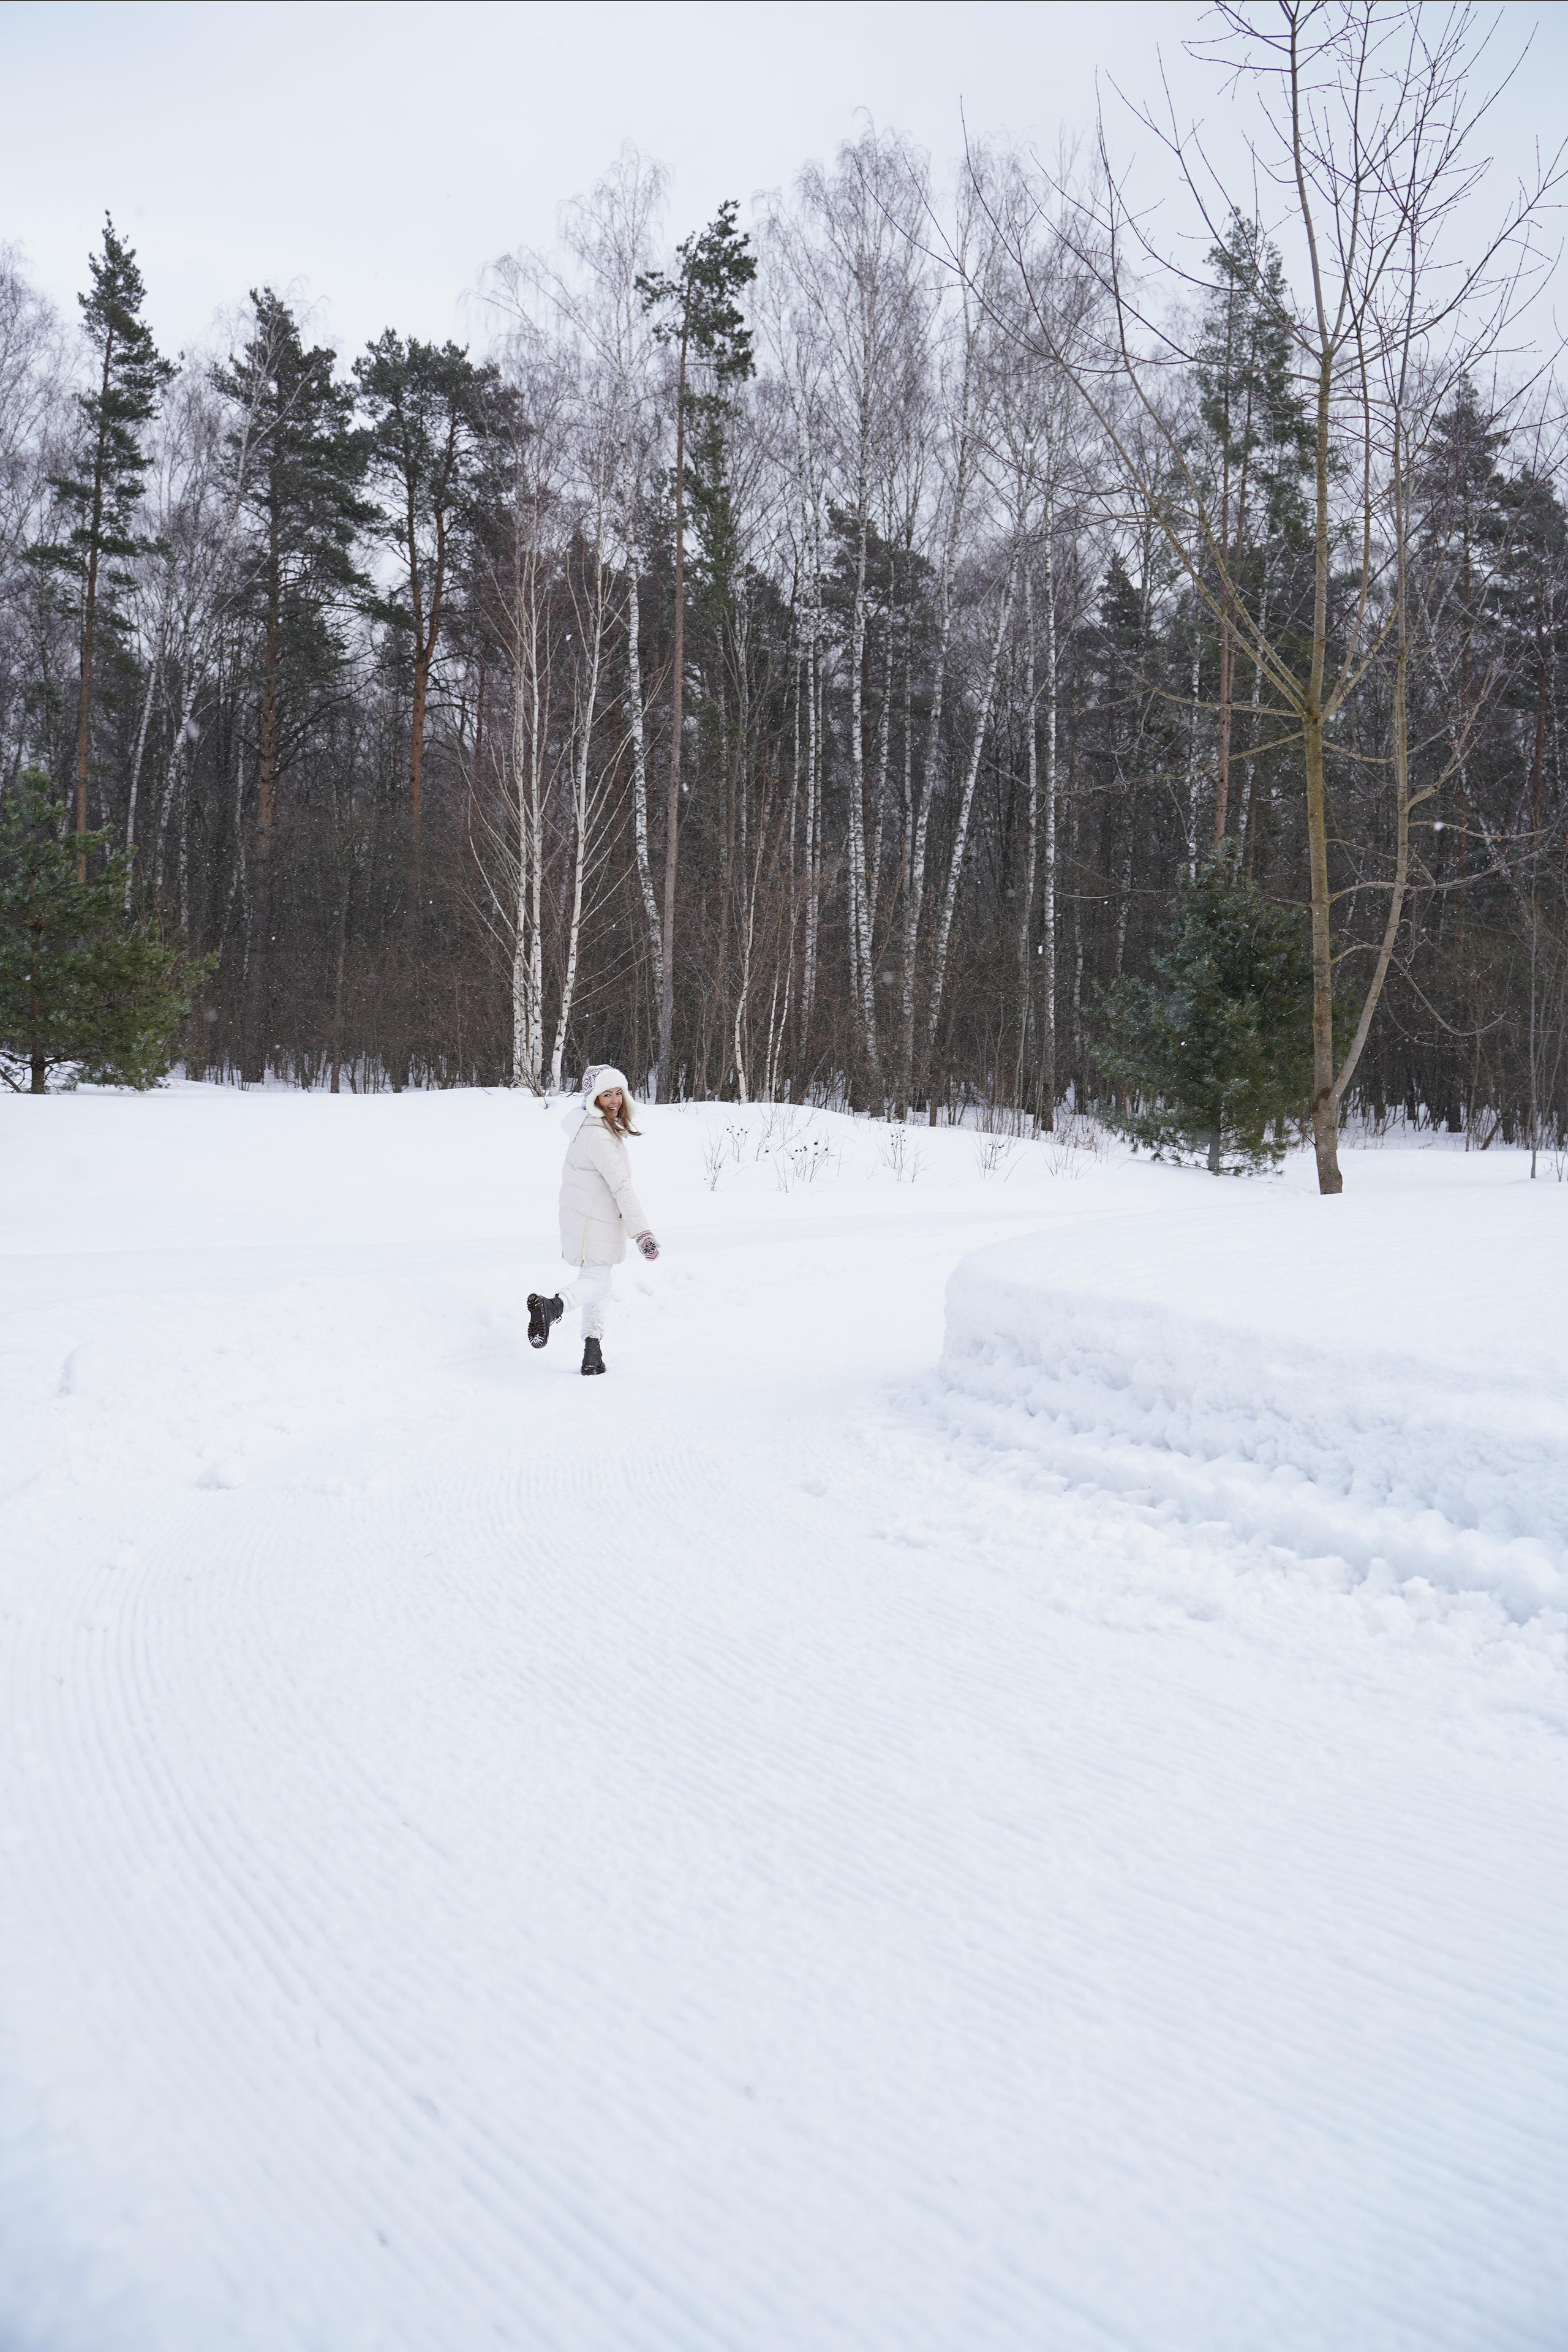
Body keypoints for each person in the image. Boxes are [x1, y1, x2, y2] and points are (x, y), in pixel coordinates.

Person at [528, 1063, 659, 1376]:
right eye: (606, 1095)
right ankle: (554, 1306)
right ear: (593, 1099)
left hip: (592, 1217)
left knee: (601, 1285)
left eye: (618, 1093)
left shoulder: (598, 1128)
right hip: (594, 1220)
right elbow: (621, 1186)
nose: (614, 1100)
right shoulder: (596, 1134)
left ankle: (592, 1353)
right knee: (596, 1281)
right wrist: (642, 1233)